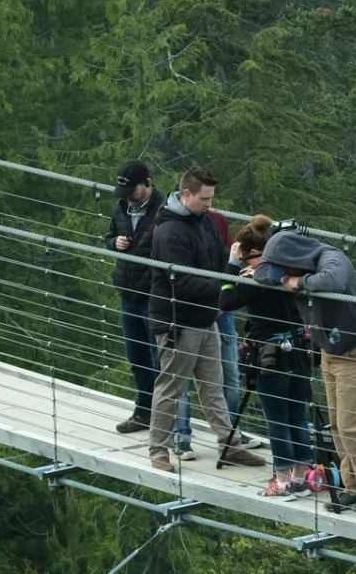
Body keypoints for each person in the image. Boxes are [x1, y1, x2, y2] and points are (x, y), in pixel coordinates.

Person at [144, 167, 265, 472]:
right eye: (205, 198)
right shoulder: (170, 231)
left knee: (214, 385)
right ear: (186, 194)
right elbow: (182, 283)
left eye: (212, 198)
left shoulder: (205, 220)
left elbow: (218, 258)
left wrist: (238, 270)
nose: (210, 204)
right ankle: (158, 451)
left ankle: (229, 445)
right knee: (170, 386)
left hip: (205, 317)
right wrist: (229, 275)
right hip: (177, 322)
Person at [264, 225, 356, 511]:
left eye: (283, 268)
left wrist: (299, 282)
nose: (281, 276)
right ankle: (354, 485)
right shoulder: (292, 266)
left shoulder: (331, 257)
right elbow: (264, 275)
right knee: (337, 425)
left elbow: (333, 279)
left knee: (352, 424)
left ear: (294, 257)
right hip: (329, 352)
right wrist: (283, 276)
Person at [222, 216, 316, 497]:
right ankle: (300, 476)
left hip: (270, 355)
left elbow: (224, 301)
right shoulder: (291, 272)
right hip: (301, 349)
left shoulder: (255, 279)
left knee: (276, 418)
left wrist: (230, 265)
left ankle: (282, 479)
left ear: (251, 254)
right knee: (297, 414)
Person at [106, 160, 188, 449]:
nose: (128, 195)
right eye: (124, 190)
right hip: (127, 296)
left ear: (148, 183)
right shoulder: (122, 207)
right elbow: (107, 237)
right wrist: (114, 242)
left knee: (162, 362)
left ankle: (170, 425)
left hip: (154, 298)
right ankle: (143, 412)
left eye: (133, 189)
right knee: (138, 359)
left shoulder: (165, 211)